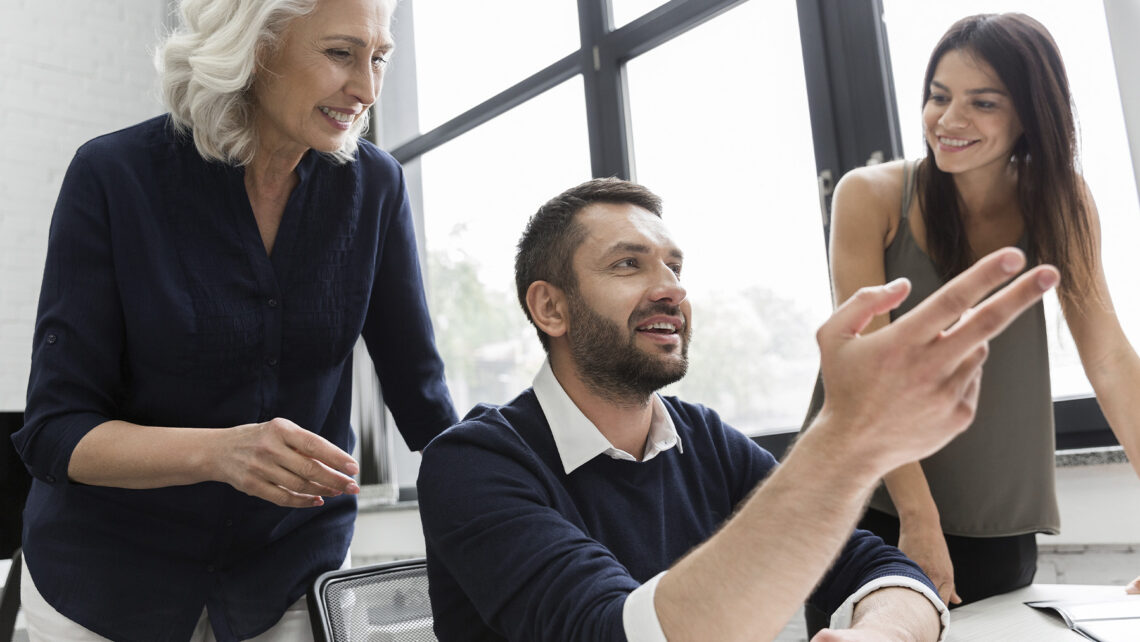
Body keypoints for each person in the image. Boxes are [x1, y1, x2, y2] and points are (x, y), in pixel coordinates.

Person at [417, 177, 1059, 641]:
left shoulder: (701, 438)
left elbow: (877, 564)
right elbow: (614, 632)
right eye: (628, 265)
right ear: (550, 308)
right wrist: (846, 439)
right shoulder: (473, 464)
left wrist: (880, 634)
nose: (671, 289)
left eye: (674, 265)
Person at [11, 0, 457, 640]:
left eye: (379, 58)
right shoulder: (114, 177)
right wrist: (221, 452)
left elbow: (421, 395)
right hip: (107, 581)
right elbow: (56, 432)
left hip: (290, 572)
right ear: (257, 46)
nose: (366, 88)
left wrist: (516, 499)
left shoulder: (376, 187)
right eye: (340, 53)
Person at [813, 11, 1140, 616]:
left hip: (997, 514)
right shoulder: (870, 194)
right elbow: (866, 373)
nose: (949, 120)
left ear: (1029, 115)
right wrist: (918, 515)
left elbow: (1111, 358)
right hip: (872, 505)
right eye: (939, 96)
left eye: (982, 103)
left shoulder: (1061, 200)